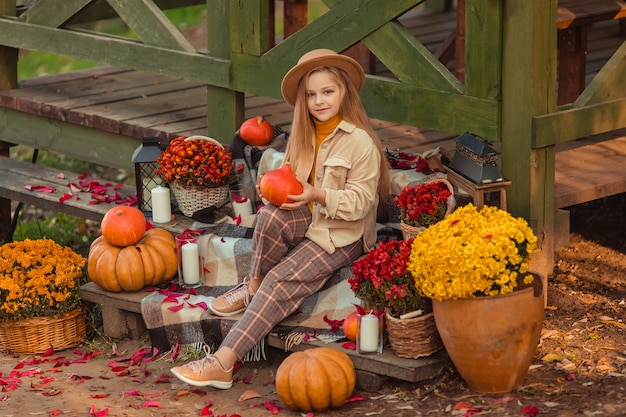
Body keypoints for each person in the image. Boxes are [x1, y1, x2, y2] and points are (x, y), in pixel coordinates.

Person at [170, 48, 390, 388]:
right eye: (312, 94)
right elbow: (290, 184)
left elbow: (360, 204)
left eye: (328, 91)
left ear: (345, 91)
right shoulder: (302, 134)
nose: (319, 101)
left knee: (281, 281)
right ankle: (252, 285)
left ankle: (222, 362)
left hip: (343, 233)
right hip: (310, 216)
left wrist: (317, 194)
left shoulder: (359, 142)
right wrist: (270, 188)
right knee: (269, 217)